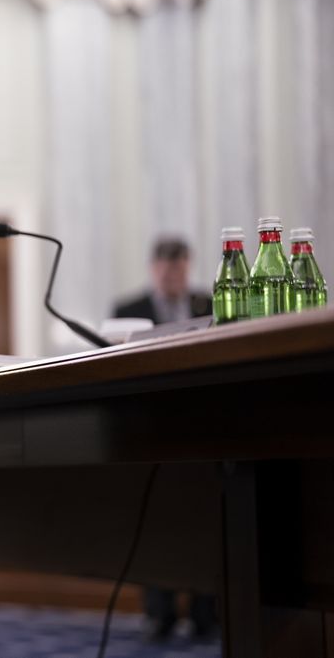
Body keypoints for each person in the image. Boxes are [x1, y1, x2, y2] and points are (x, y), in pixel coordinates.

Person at [113, 237, 216, 641]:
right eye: (166, 267)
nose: (173, 274)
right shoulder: (128, 311)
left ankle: (208, 612)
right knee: (156, 520)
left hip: (203, 430)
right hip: (149, 429)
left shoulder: (207, 303)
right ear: (154, 268)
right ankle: (160, 613)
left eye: (180, 267)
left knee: (205, 521)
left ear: (188, 267)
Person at [114, 237, 212, 325]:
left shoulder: (209, 306)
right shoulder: (128, 314)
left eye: (179, 270)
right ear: (153, 268)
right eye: (168, 272)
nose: (174, 276)